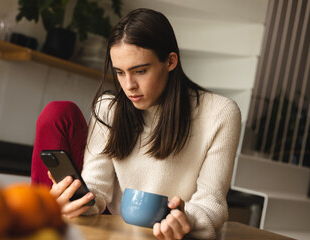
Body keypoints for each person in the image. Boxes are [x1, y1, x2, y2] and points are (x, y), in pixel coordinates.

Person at [31, 8, 241, 240]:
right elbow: (97, 187)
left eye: (140, 71)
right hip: (116, 228)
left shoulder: (220, 113)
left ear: (170, 61)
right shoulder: (109, 107)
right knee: (57, 114)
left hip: (172, 235)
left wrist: (186, 218)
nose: (128, 85)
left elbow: (212, 202)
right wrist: (75, 202)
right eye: (120, 72)